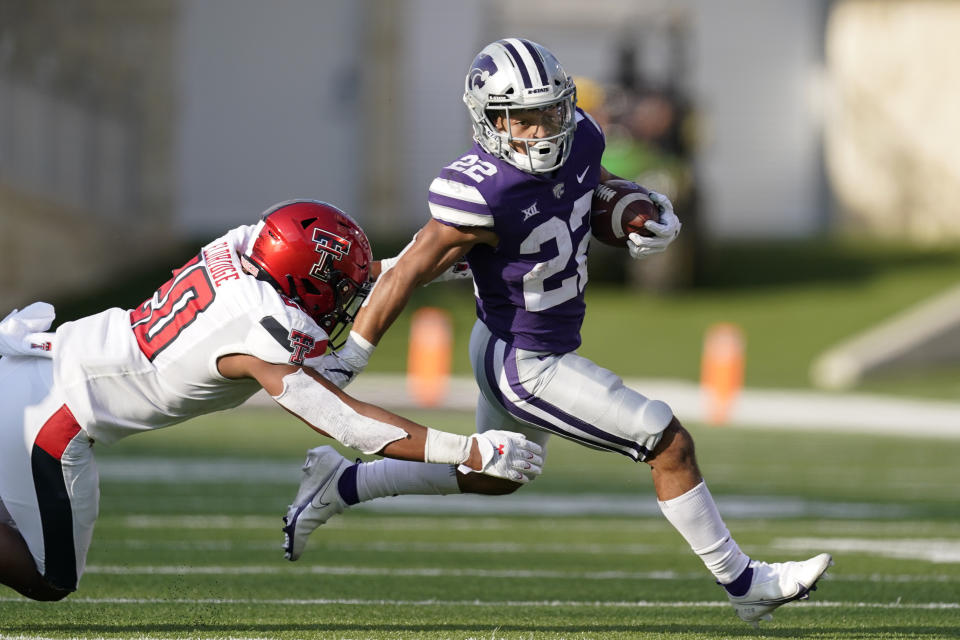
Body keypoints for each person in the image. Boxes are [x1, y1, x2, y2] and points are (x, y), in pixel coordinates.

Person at [283, 39, 831, 625]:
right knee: (668, 443)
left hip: (520, 345)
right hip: (524, 361)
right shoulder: (479, 187)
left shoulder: (582, 136)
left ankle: (341, 484)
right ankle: (744, 583)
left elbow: (591, 189)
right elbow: (414, 267)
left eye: (550, 111)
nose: (542, 128)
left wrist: (636, 206)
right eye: (523, 118)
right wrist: (353, 355)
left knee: (494, 477)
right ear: (490, 121)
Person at [0, 199, 543, 602]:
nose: (344, 296)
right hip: (54, 412)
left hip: (36, 363)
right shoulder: (261, 330)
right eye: (336, 286)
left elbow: (332, 275)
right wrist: (464, 451)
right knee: (50, 578)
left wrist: (421, 267)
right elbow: (348, 423)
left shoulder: (241, 249)